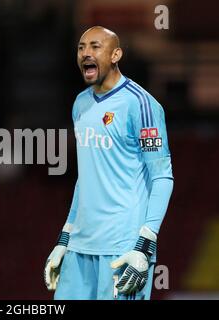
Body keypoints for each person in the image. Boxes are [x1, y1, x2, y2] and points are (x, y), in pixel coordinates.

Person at [44, 26, 174, 300]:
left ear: (116, 54)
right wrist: (65, 237)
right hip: (80, 247)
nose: (85, 53)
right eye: (81, 47)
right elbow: (87, 176)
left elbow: (162, 177)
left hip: (122, 247)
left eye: (95, 46)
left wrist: (144, 245)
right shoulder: (80, 104)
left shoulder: (142, 105)